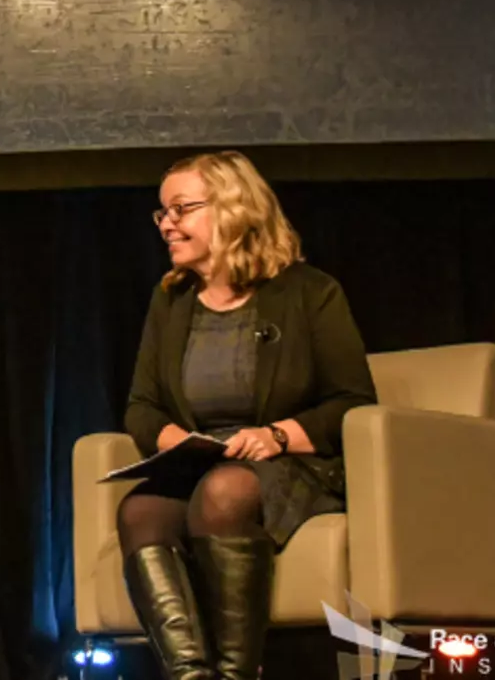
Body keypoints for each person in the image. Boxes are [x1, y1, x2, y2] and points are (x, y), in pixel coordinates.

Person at [117, 152, 378, 680]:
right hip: (202, 463)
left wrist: (277, 436)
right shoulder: (171, 301)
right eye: (162, 213)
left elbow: (353, 401)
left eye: (181, 209)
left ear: (233, 209)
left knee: (224, 492)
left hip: (290, 463)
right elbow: (141, 407)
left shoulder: (309, 293)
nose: (167, 224)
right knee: (140, 510)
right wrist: (173, 439)